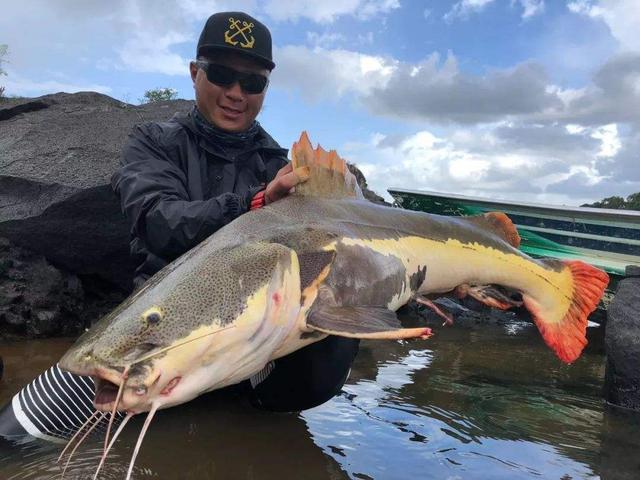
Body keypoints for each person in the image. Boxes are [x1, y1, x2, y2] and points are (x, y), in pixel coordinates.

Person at [0, 11, 359, 441]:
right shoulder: (153, 142)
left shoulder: (276, 163)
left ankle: (252, 411)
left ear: (265, 89)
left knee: (338, 332)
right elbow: (157, 221)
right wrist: (257, 202)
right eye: (222, 74)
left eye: (252, 82)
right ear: (194, 73)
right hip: (160, 334)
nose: (235, 93)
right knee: (16, 434)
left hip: (252, 344)